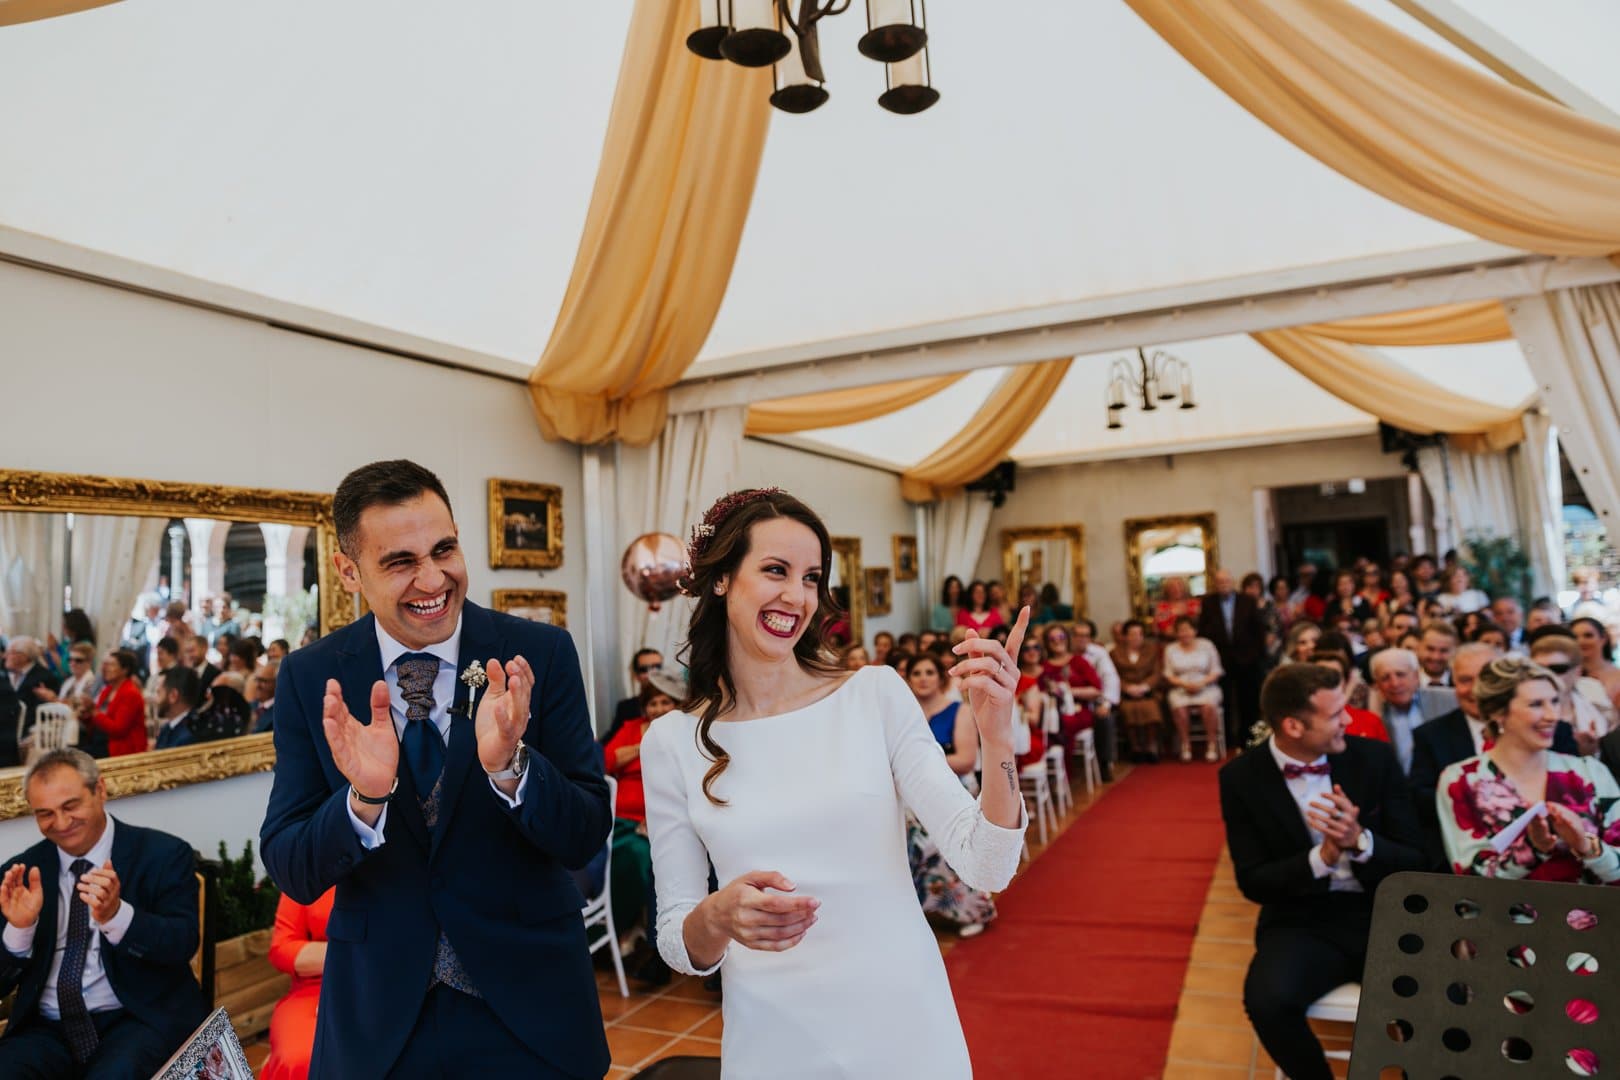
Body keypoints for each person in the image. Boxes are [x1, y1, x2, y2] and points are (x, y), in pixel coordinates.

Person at [641, 488, 1026, 1078]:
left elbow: (988, 865)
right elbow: (677, 939)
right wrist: (718, 916)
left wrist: (997, 739)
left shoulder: (874, 696)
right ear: (720, 579)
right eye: (776, 570)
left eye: (812, 577)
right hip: (773, 1035)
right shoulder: (670, 742)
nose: (796, 596)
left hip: (903, 1022)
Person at [259, 459, 612, 1079]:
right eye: (400, 562)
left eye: (444, 549)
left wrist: (514, 769)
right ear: (349, 571)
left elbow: (585, 832)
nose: (433, 578)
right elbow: (291, 863)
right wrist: (361, 803)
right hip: (381, 1021)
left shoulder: (540, 654)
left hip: (530, 1008)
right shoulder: (313, 677)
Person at [1220, 665, 1426, 1080]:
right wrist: (1323, 858)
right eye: (1335, 714)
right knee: (1268, 1002)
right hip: (1301, 920)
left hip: (1382, 914)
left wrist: (1361, 841)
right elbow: (1253, 882)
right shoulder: (1241, 777)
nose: (1349, 720)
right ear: (1293, 725)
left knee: (1438, 1001)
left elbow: (1418, 858)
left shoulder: (1374, 759)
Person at [0, 748, 208, 1077]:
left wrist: (116, 916)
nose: (62, 823)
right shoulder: (22, 873)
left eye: (70, 806)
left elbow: (182, 942)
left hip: (136, 1017)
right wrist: (19, 930)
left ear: (100, 791)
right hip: (46, 1028)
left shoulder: (163, 855)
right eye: (46, 814)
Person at [1438, 657, 1620, 883]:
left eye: (1554, 702)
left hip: (1594, 915)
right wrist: (1533, 849)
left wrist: (1586, 846)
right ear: (1498, 712)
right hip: (1502, 916)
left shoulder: (1590, 772)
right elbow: (1470, 878)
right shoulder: (1462, 780)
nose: (1552, 715)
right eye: (1536, 704)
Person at [602, 674, 685, 987]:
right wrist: (645, 745)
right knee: (605, 856)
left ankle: (636, 935)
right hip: (618, 818)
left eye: (666, 702)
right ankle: (614, 934)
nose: (659, 708)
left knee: (638, 859)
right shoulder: (631, 729)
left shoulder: (683, 732)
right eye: (653, 703)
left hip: (656, 821)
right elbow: (606, 761)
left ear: (677, 704)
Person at [262, 888, 334, 1080]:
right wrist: (350, 953)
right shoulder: (309, 871)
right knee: (298, 1058)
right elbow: (282, 948)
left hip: (392, 989)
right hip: (316, 988)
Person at [1197, 569, 1267, 749]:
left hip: (1248, 659)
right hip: (1221, 660)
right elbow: (1203, 632)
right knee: (1225, 700)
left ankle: (1249, 738)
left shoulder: (1247, 601)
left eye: (1226, 581)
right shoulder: (1208, 603)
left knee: (1248, 701)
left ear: (1233, 582)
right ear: (1215, 584)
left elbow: (1258, 631)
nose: (1223, 585)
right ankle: (1227, 739)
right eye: (1220, 582)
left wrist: (1258, 655)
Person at [1041, 623, 1107, 778]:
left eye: (1061, 637)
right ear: (1047, 642)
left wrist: (1067, 691)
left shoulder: (1079, 661)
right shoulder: (1044, 666)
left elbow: (1096, 689)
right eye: (1052, 638)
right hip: (1052, 712)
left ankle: (1064, 774)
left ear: (1067, 639)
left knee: (1065, 723)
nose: (1057, 641)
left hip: (1079, 710)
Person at [1163, 616, 1223, 762]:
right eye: (1181, 631)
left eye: (1187, 629)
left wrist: (1201, 683)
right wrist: (1184, 685)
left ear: (1195, 630)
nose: (1184, 633)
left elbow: (1216, 670)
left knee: (1208, 707)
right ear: (1176, 633)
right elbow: (1168, 674)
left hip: (1206, 685)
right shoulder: (1170, 649)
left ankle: (1211, 744)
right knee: (1179, 707)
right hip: (1181, 688)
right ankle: (1185, 744)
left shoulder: (1207, 645)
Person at [1, 637, 60, 767]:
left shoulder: (43, 677)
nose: (5, 656)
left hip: (24, 733)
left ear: (24, 657)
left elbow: (34, 713)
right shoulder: (7, 674)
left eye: (11, 652)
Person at [1111, 619, 1164, 762]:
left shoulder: (1151, 650)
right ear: (1125, 636)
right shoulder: (1115, 653)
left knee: (1150, 708)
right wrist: (1127, 687)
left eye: (1139, 634)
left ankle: (1150, 746)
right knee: (1129, 709)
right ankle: (1135, 748)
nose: (1136, 638)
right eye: (1132, 634)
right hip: (1126, 692)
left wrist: (1145, 686)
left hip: (1148, 691)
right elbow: (1113, 675)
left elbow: (1157, 673)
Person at [1308, 651, 1387, 743]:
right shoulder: (1302, 725)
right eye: (1321, 677)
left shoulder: (1370, 721)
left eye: (1335, 676)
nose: (1327, 683)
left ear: (1346, 682)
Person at [84, 651, 146, 759]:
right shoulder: (108, 690)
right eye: (106, 664)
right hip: (100, 742)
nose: (106, 668)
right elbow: (98, 720)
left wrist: (94, 711)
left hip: (119, 747)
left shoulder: (131, 694)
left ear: (124, 670)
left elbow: (118, 730)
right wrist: (86, 714)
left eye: (112, 665)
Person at [1571, 616, 1620, 715]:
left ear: (1603, 638)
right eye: (1574, 637)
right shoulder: (1567, 675)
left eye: (1588, 635)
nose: (1581, 641)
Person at [609, 648, 663, 736]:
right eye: (644, 669)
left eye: (657, 667)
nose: (652, 673)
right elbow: (612, 740)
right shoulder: (626, 708)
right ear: (635, 675)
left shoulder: (680, 703)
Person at [152, 667, 203, 751]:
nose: (155, 699)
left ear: (173, 696)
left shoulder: (187, 737)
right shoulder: (168, 727)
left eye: (158, 692)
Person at [1416, 621, 1457, 687]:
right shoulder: (1404, 683)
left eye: (1443, 650)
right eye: (1430, 649)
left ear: (1454, 651)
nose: (1436, 657)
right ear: (1419, 648)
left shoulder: (1461, 685)